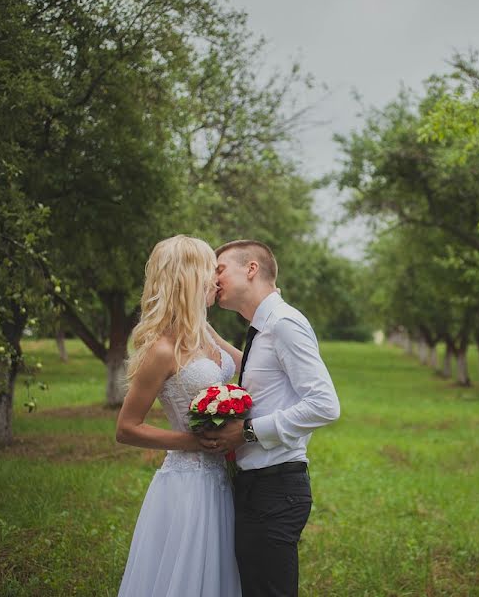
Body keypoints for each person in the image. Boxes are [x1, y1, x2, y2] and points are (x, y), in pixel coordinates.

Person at [203, 239, 340, 597]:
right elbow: (262, 385)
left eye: (219, 269)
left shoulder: (283, 323)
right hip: (256, 486)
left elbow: (325, 404)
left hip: (276, 488)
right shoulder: (261, 328)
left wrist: (246, 432)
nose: (214, 280)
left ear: (251, 269)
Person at [116, 235, 241, 597]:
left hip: (224, 480)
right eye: (210, 271)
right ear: (187, 278)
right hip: (188, 484)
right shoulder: (162, 350)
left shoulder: (206, 334)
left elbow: (250, 366)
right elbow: (126, 428)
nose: (217, 280)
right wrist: (192, 441)